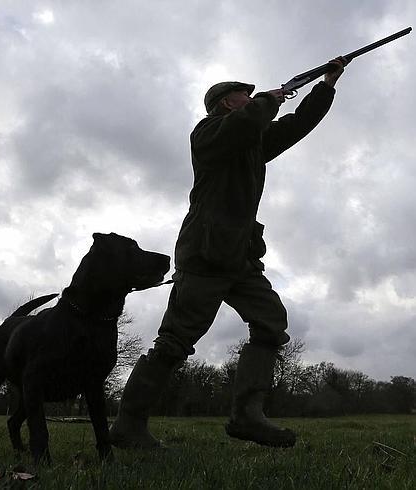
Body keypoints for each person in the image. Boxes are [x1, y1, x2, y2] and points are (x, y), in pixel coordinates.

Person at [110, 58, 347, 449]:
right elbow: (247, 124)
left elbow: (297, 125)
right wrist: (270, 100)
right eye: (245, 95)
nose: (251, 97)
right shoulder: (208, 135)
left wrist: (325, 85)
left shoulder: (251, 141)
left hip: (240, 256)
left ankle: (247, 416)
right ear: (225, 103)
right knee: (175, 342)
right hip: (205, 253)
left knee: (271, 323)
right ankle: (128, 424)